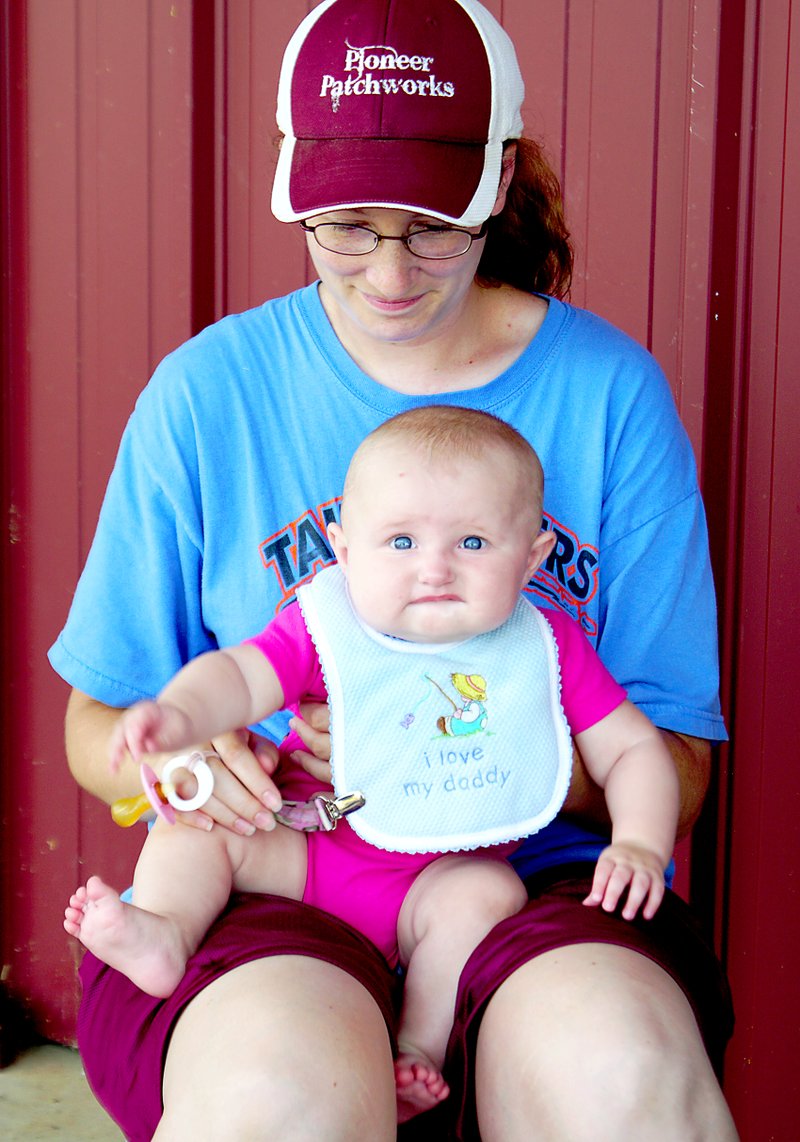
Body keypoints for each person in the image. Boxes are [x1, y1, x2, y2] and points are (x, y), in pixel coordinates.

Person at [48, 0, 737, 1137]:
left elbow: (674, 762)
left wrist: (447, 735)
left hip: (525, 875)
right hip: (282, 862)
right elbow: (98, 724)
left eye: (431, 228)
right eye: (344, 226)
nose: (388, 271)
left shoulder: (609, 396)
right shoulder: (207, 393)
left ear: (497, 180)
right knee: (274, 1103)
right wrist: (184, 764)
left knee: (620, 1085)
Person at [63, 406, 681, 1123]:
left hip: (432, 883)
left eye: (474, 541)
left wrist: (639, 841)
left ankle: (418, 1046)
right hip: (305, 851)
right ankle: (166, 930)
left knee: (486, 894)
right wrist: (179, 717)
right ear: (344, 550)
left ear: (534, 556)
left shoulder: (545, 648)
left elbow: (635, 748)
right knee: (198, 824)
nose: (434, 569)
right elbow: (239, 675)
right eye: (401, 541)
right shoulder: (327, 626)